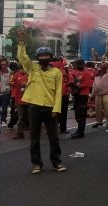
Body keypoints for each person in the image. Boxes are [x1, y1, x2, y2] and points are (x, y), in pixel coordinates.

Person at [16, 28, 66, 174]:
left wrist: (57, 108)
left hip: (50, 107)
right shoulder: (32, 68)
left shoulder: (56, 72)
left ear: (50, 57)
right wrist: (21, 41)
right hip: (34, 107)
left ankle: (57, 162)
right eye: (41, 55)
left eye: (46, 55)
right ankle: (37, 164)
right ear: (38, 57)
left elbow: (58, 92)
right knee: (34, 137)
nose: (43, 57)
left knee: (53, 137)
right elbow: (22, 57)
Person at [70, 59, 93, 139]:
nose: (75, 66)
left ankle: (81, 132)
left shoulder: (86, 73)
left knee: (81, 114)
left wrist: (75, 85)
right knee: (77, 114)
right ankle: (79, 130)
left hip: (83, 95)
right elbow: (72, 79)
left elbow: (86, 84)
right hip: (77, 95)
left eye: (76, 64)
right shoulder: (76, 72)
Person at [92, 58, 108, 129]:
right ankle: (98, 122)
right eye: (102, 65)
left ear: (107, 66)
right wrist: (92, 94)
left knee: (107, 107)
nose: (103, 66)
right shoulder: (97, 74)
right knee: (97, 108)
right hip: (97, 94)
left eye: (104, 65)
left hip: (106, 93)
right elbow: (94, 84)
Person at [50, 58, 71, 134]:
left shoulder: (50, 68)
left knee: (52, 112)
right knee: (63, 113)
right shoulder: (65, 69)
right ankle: (63, 129)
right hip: (64, 93)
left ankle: (52, 129)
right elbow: (70, 80)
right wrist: (68, 89)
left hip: (53, 94)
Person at [11, 63, 29, 139]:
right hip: (20, 100)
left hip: (29, 100)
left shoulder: (30, 75)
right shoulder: (16, 75)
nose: (22, 70)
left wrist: (27, 84)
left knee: (31, 117)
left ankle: (34, 133)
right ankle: (20, 133)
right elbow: (11, 83)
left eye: (23, 68)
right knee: (21, 117)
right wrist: (17, 85)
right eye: (21, 68)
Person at [0, 57, 11, 127]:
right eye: (2, 64)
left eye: (4, 64)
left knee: (4, 108)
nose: (3, 66)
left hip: (6, 93)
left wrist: (8, 88)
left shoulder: (9, 71)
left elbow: (11, 81)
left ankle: (3, 121)